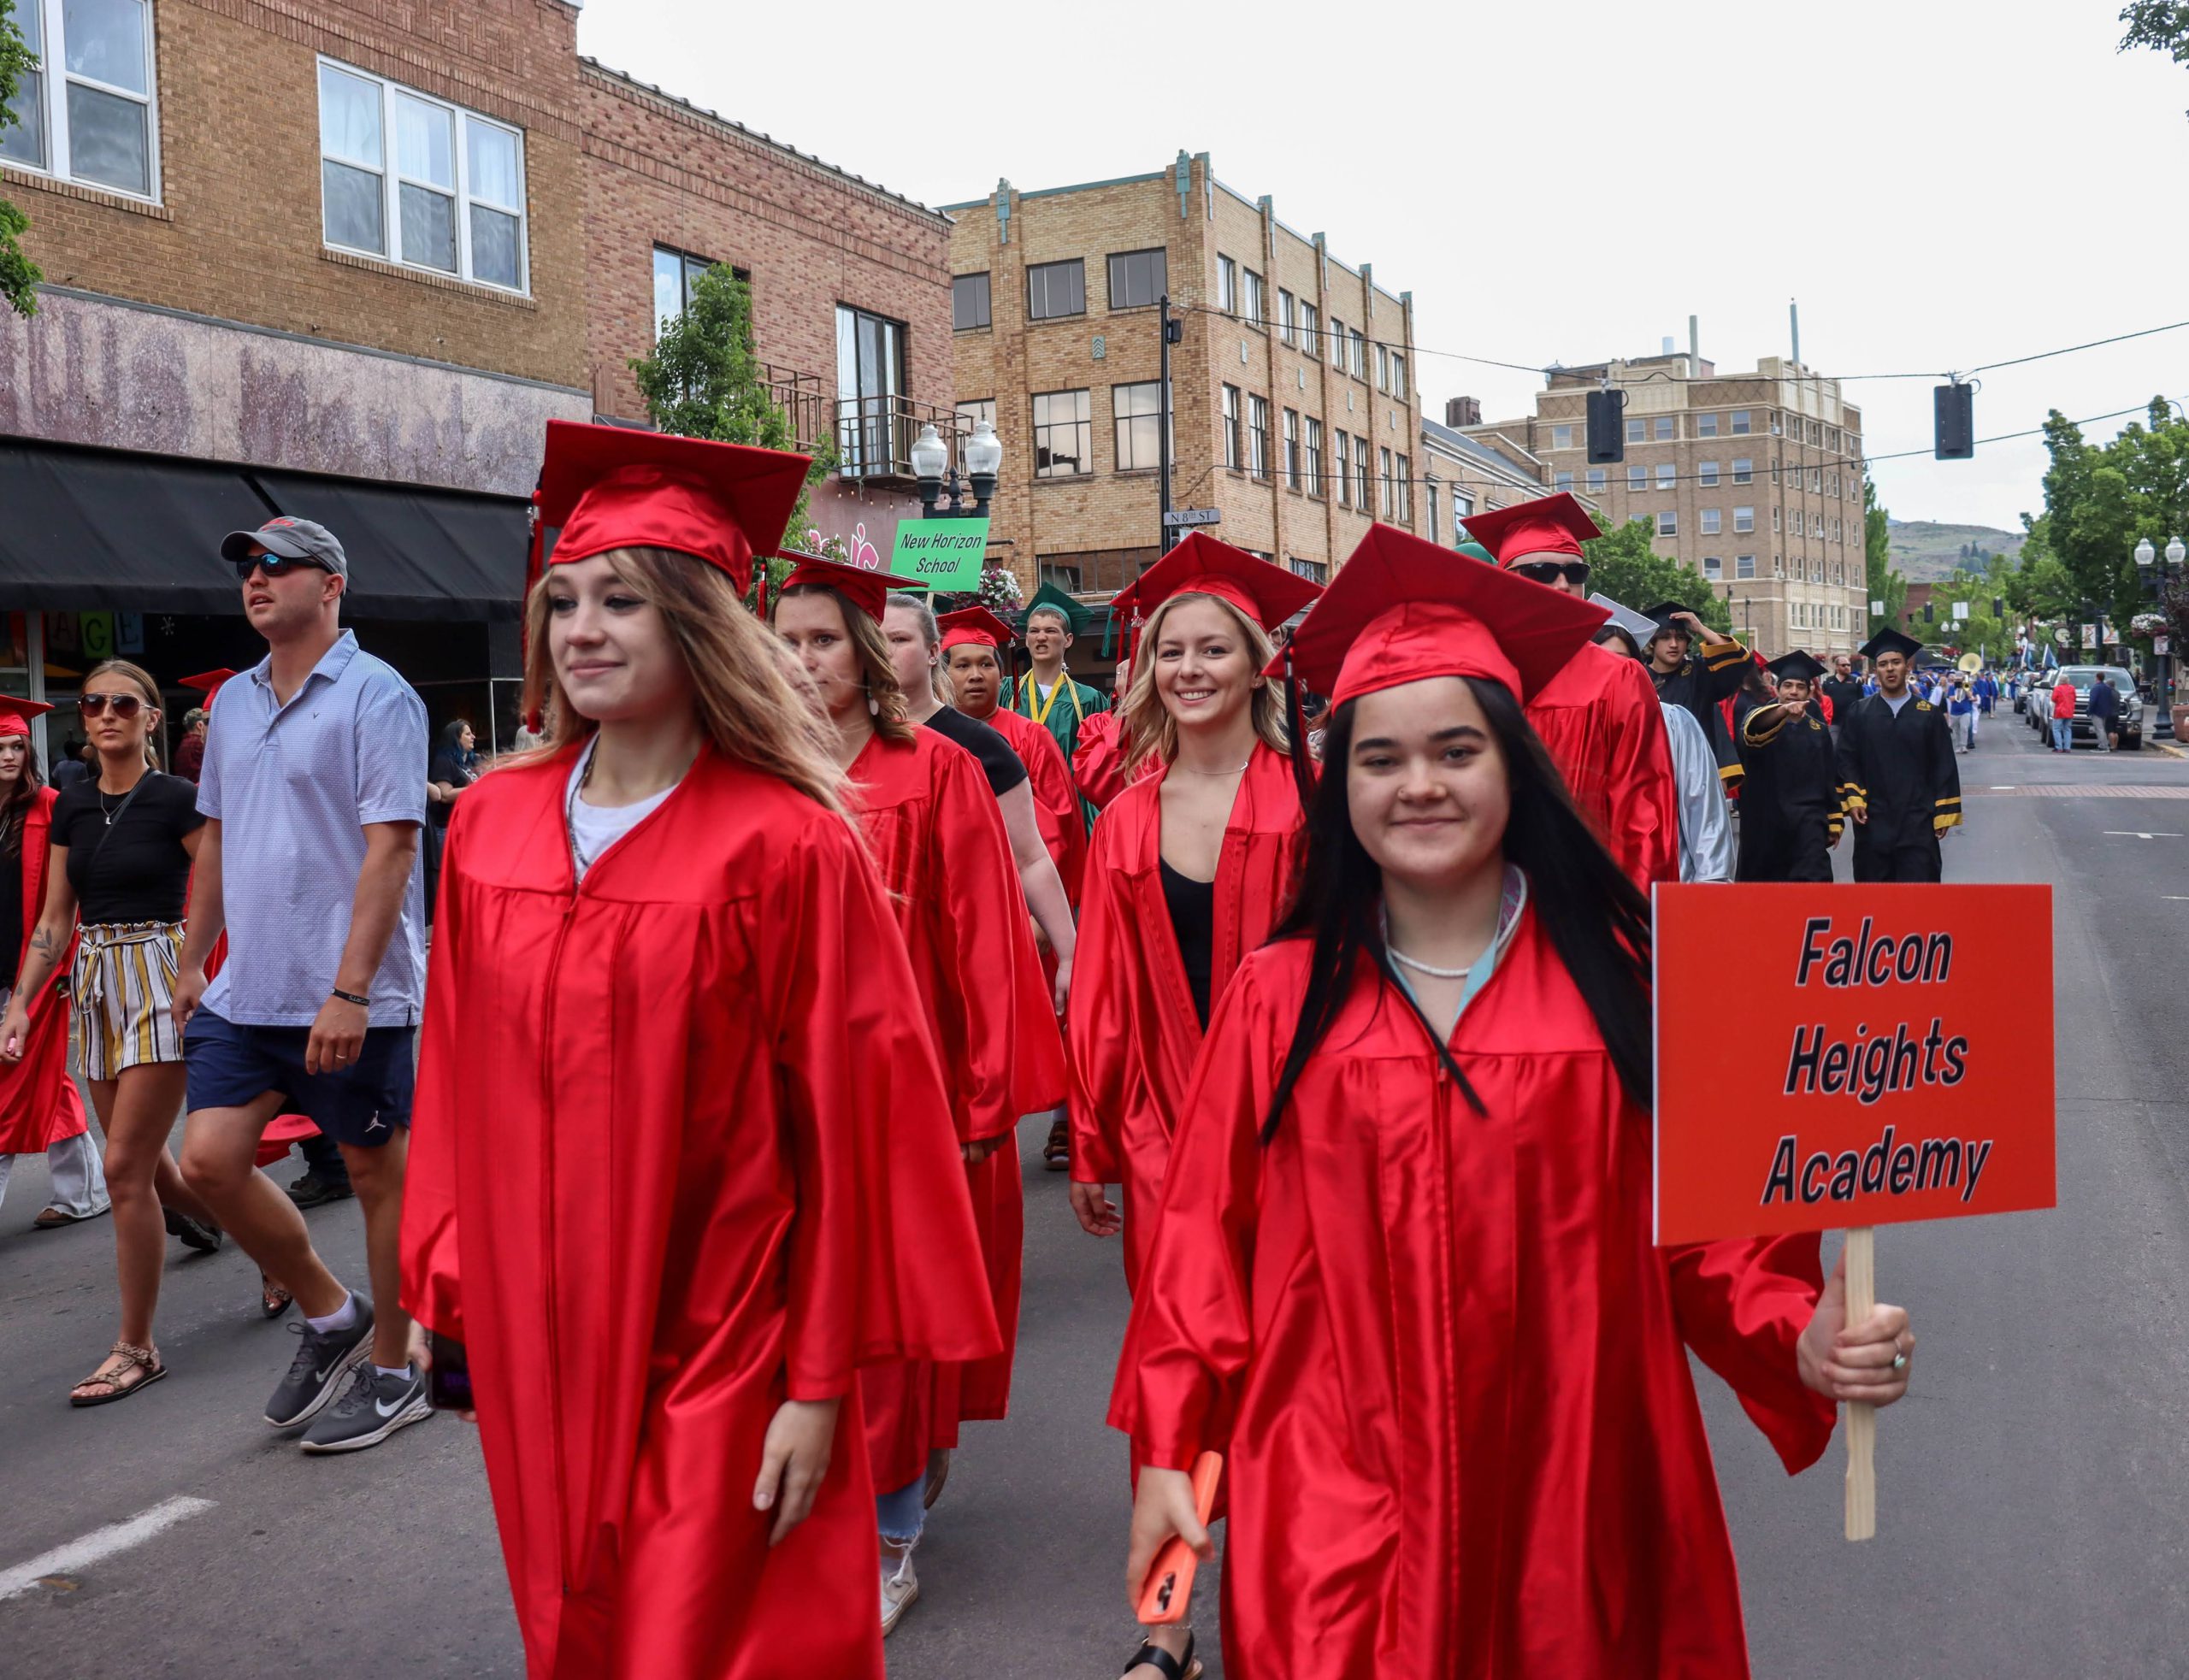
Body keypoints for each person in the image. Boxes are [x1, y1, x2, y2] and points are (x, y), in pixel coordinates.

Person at [1116, 542, 1916, 1680]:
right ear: (1341, 788)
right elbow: (1202, 1251)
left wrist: (1803, 1333)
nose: (1419, 784)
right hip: (1337, 1487)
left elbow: (1705, 1244)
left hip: (1575, 1477)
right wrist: (1168, 1450)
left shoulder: (1621, 985)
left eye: (1457, 749)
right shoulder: (1278, 998)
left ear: (1515, 764)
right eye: (1379, 758)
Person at [399, 420, 997, 1680]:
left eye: (622, 599)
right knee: (568, 1628)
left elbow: (851, 1129)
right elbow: (452, 1075)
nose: (582, 628)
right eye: (564, 600)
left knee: (703, 1645)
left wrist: (821, 1380)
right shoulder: (497, 824)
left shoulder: (784, 843)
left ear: (698, 620)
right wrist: (444, 1282)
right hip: (537, 1335)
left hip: (725, 1336)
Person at [776, 553, 1057, 1637]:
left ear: (867, 655)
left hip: (909, 1087)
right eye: (787, 642)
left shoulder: (933, 770)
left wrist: (987, 1096)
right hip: (786, 1094)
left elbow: (987, 937)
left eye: (825, 641)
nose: (804, 663)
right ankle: (844, 1484)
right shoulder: (754, 767)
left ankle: (892, 1535)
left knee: (887, 1318)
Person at [165, 515, 430, 1453]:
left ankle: (397, 1369)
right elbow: (220, 842)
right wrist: (196, 960)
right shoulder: (233, 703)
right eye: (247, 566)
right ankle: (330, 1314)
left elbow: (393, 844)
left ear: (332, 587)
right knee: (206, 1163)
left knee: (374, 1176)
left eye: (280, 565)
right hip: (250, 989)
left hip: (352, 991)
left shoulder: (376, 693)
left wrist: (351, 992)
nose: (257, 578)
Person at [1, 662, 222, 1404]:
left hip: (158, 978)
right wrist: (23, 1001)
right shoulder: (72, 808)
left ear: (151, 717)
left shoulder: (177, 799)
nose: (103, 714)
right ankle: (269, 1241)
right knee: (151, 1170)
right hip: (94, 982)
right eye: (92, 703)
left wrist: (195, 964)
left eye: (121, 703)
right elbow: (54, 919)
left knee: (123, 1169)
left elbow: (222, 885)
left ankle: (136, 1347)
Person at [1460, 493, 1678, 888]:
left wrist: (1632, 920)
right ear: (1507, 578)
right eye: (1541, 571)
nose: (1562, 584)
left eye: (1576, 572)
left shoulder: (1619, 678)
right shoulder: (1468, 672)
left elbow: (1644, 814)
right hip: (1474, 903)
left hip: (1584, 899)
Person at [0, 697, 109, 1229]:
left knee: (7, 1080)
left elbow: (69, 900)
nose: (7, 756)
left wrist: (66, 968)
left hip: (36, 971)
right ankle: (84, 1191)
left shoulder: (50, 807)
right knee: (45, 1077)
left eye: (16, 746)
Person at [937, 607, 1089, 909]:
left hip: (1019, 900)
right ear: (943, 673)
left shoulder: (1031, 737)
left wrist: (1044, 912)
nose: (975, 675)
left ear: (1002, 674)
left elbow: (1058, 828)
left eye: (985, 665)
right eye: (963, 665)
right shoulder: (926, 735)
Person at [1597, 626, 1732, 883]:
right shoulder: (1572, 722)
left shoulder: (1673, 722)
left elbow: (1702, 809)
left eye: (1622, 661)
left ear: (1637, 668)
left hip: (1669, 881)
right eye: (1601, 660)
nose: (1612, 670)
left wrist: (1712, 884)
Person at [1838, 628, 1962, 882]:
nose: (1890, 669)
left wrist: (1942, 813)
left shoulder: (1928, 714)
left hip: (1918, 821)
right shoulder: (1859, 713)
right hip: (1872, 820)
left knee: (1918, 898)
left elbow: (1944, 766)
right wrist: (1854, 799)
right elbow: (1846, 760)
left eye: (1896, 662)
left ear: (1907, 666)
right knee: (1874, 899)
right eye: (1883, 664)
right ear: (1876, 670)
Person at [1735, 651, 1846, 882]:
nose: (1793, 692)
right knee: (1767, 896)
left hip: (1808, 823)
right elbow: (1751, 733)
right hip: (1766, 822)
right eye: (1787, 685)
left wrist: (1834, 818)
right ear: (1777, 689)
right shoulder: (1758, 716)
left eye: (1800, 687)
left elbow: (1828, 776)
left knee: (1814, 887)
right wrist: (1783, 711)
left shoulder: (1818, 729)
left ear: (1809, 692)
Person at [1013, 587, 1109, 815]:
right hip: (1017, 809)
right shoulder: (1008, 692)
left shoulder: (1089, 700)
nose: (1041, 637)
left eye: (1050, 631)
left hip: (1072, 812)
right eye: (1034, 631)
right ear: (1026, 639)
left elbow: (1098, 766)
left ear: (1068, 640)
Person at [1637, 600, 1749, 791]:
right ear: (1652, 642)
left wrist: (1700, 628)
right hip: (1651, 776)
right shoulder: (1638, 677)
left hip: (1696, 776)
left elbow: (1739, 662)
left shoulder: (1700, 674)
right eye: (1665, 637)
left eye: (1680, 638)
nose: (1674, 644)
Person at [1070, 652, 1147, 815]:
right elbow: (1095, 782)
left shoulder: (1176, 725)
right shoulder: (1100, 725)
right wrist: (1128, 713)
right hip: (1124, 827)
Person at [423, 717, 482, 920]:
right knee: (451, 878)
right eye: (467, 733)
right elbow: (444, 793)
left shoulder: (473, 761)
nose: (472, 736)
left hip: (471, 828)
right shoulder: (444, 761)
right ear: (455, 739)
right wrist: (476, 789)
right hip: (447, 828)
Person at [1820, 655, 1865, 738]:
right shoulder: (1828, 681)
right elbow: (1824, 701)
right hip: (1834, 722)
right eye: (1844, 665)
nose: (1847, 667)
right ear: (1837, 667)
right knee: (1834, 744)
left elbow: (1861, 701)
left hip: (1851, 721)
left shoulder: (1856, 681)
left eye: (1849, 665)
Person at [2088, 670, 2119, 752]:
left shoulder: (2096, 688)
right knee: (2103, 729)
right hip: (2105, 712)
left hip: (2097, 711)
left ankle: (2103, 745)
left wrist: (2089, 710)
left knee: (2099, 729)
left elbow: (2093, 700)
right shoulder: (2108, 688)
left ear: (2097, 678)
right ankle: (2105, 744)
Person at [1946, 674, 1977, 752]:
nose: (1958, 682)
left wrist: (1964, 688)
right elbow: (1951, 699)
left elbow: (1970, 696)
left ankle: (1964, 746)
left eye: (1960, 680)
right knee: (1956, 730)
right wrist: (1958, 693)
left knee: (1964, 728)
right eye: (1956, 680)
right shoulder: (1951, 687)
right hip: (1954, 712)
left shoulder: (1966, 686)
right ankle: (1958, 746)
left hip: (1965, 711)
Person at [2050, 671, 2075, 752]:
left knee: (2057, 729)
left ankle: (2059, 747)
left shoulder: (2058, 688)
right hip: (2069, 710)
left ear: (2060, 681)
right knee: (2067, 729)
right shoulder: (2072, 688)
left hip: (2060, 710)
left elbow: (2053, 699)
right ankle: (2067, 747)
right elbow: (2074, 698)